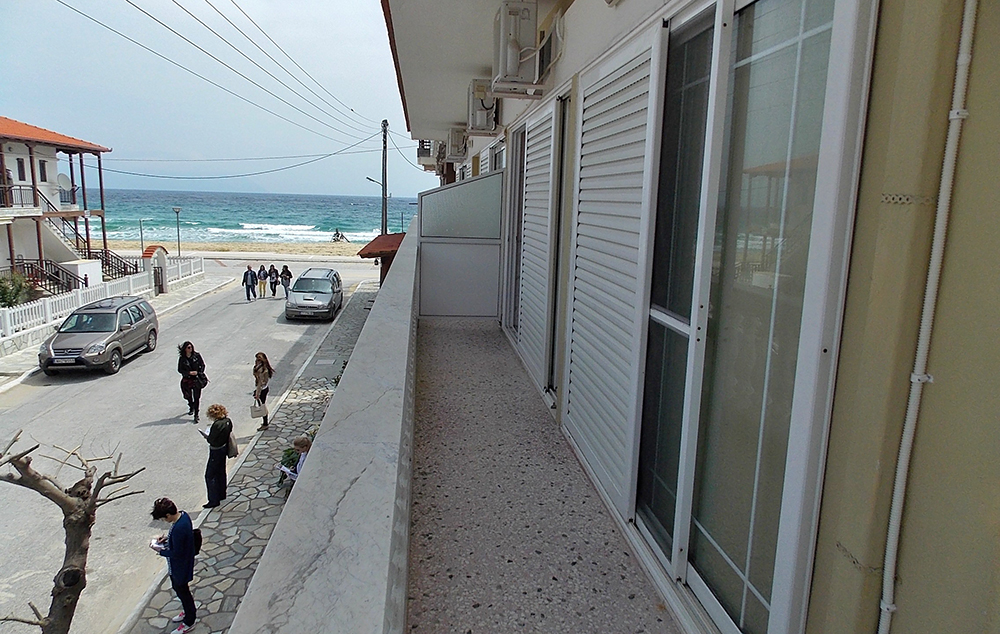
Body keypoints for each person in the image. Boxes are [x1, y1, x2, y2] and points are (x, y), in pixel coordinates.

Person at [150, 497, 197, 634]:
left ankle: (189, 620)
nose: (164, 521)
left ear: (168, 515)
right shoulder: (183, 516)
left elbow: (176, 552)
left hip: (180, 566)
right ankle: (188, 611)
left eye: (163, 518)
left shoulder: (178, 529)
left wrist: (160, 550)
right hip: (180, 564)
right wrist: (168, 540)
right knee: (180, 589)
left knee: (183, 591)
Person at [201, 403, 232, 508]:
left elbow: (211, 439)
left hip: (216, 450)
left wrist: (207, 437)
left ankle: (213, 500)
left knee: (210, 475)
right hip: (224, 448)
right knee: (221, 472)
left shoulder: (216, 425)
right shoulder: (228, 421)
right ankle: (222, 493)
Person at [177, 342, 206, 422]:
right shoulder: (182, 358)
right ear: (185, 349)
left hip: (196, 380)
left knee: (197, 397)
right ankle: (191, 405)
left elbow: (202, 365)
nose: (190, 349)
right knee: (187, 395)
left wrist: (198, 372)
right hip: (187, 380)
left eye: (191, 347)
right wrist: (188, 373)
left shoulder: (197, 356)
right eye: (188, 347)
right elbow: (180, 369)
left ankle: (196, 414)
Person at [253, 352, 275, 431]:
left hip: (262, 390)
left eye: (258, 359)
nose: (256, 360)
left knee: (262, 408)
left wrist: (257, 393)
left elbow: (261, 383)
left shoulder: (263, 370)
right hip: (262, 389)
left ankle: (265, 424)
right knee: (262, 406)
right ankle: (265, 422)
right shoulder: (259, 367)